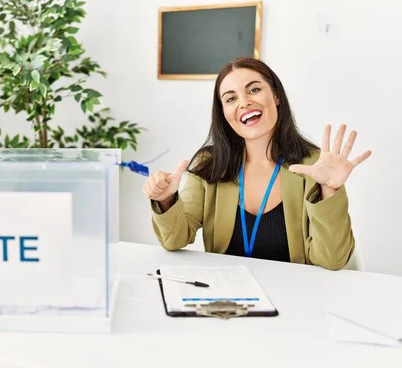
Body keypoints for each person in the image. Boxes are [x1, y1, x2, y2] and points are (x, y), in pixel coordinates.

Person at [143, 57, 371, 270]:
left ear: (276, 96)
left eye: (254, 89)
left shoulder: (314, 165)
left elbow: (332, 260)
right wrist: (166, 199)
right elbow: (174, 239)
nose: (244, 102)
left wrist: (329, 190)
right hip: (228, 299)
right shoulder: (210, 164)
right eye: (231, 98)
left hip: (296, 299)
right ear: (223, 113)